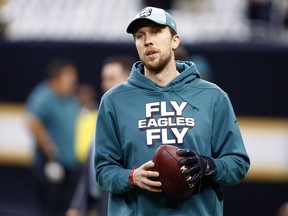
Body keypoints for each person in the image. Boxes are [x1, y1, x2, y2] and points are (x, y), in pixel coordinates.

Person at [95, 6, 250, 215]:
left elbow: (238, 164)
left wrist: (208, 165)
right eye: (140, 35)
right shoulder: (114, 100)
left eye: (156, 32)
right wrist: (132, 176)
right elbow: (103, 171)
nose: (147, 40)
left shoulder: (213, 96)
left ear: (175, 40)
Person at [26, 59, 81, 216]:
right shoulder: (44, 95)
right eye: (69, 75)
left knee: (65, 207)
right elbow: (32, 121)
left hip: (70, 163)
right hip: (51, 163)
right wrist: (49, 150)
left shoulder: (71, 98)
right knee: (49, 207)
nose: (74, 79)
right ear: (56, 77)